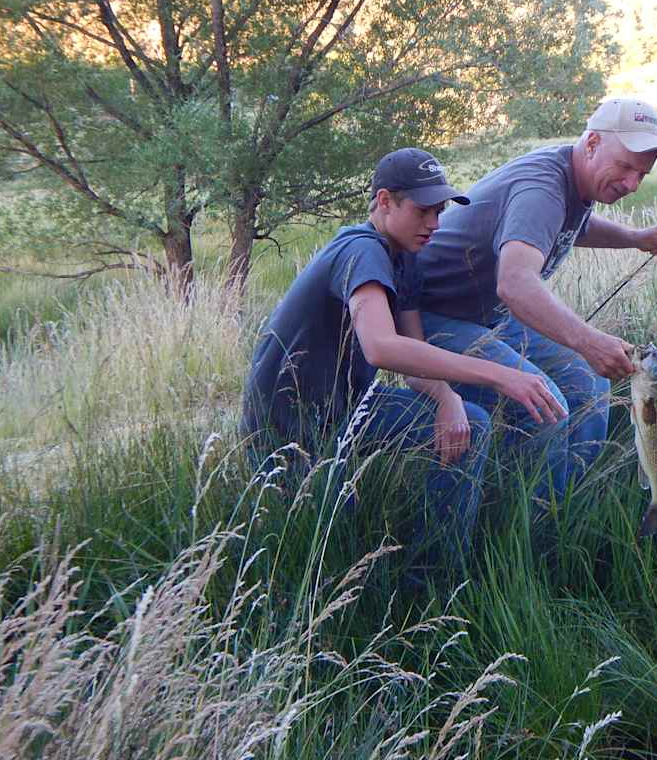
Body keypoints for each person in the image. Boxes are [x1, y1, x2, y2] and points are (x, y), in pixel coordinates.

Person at [240, 148, 566, 548]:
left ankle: (436, 572)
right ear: (384, 201)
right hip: (293, 421)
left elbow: (412, 354)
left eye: (440, 211)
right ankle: (422, 578)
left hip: (349, 404)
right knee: (325, 540)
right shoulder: (361, 251)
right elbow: (381, 347)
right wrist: (501, 375)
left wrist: (447, 398)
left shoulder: (405, 257)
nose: (434, 223)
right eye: (423, 210)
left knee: (471, 423)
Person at [417, 97, 657, 499]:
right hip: (430, 318)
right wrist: (590, 341)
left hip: (489, 316)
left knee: (589, 382)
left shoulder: (574, 181)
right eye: (625, 167)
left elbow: (575, 224)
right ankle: (531, 524)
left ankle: (568, 504)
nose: (631, 184)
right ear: (592, 143)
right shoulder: (542, 187)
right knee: (544, 405)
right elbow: (516, 284)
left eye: (641, 175)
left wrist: (635, 239)